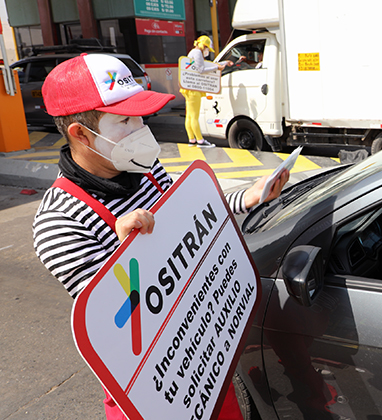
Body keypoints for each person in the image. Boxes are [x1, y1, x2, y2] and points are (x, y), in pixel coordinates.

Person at [32, 53, 289, 419]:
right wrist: (125, 257)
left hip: (202, 365)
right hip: (154, 390)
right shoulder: (58, 221)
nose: (141, 129)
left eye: (141, 116)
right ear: (80, 133)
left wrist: (250, 196)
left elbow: (194, 218)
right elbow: (115, 324)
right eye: (125, 120)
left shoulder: (145, 167)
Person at [181, 35, 226, 148]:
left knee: (189, 116)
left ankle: (192, 139)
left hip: (188, 88)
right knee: (195, 116)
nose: (207, 51)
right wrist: (217, 68)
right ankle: (200, 141)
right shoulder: (197, 53)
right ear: (204, 46)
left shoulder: (192, 52)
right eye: (207, 49)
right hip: (194, 90)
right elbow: (201, 69)